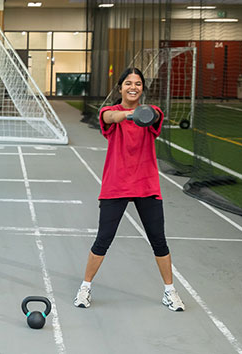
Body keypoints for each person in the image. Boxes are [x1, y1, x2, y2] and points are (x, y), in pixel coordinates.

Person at [72, 67, 185, 312]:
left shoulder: (152, 112)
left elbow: (154, 115)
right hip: (117, 185)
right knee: (103, 240)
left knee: (159, 241)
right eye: (128, 83)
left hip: (146, 185)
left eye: (138, 84)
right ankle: (85, 287)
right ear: (120, 87)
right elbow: (110, 118)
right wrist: (130, 114)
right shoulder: (108, 112)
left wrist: (143, 114)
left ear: (142, 88)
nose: (133, 87)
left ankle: (170, 291)